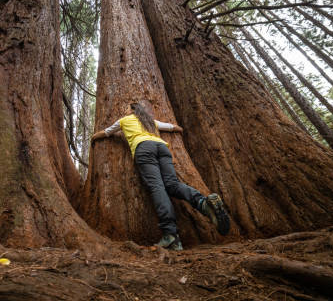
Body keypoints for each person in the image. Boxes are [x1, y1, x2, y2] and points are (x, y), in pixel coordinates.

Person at [91, 100, 230, 250]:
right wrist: (179, 129)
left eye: (126, 108)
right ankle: (203, 203)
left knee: (157, 187)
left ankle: (170, 235)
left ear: (130, 111)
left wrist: (93, 137)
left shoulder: (124, 120)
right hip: (162, 148)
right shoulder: (150, 121)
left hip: (143, 149)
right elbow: (171, 127)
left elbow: (106, 132)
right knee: (172, 184)